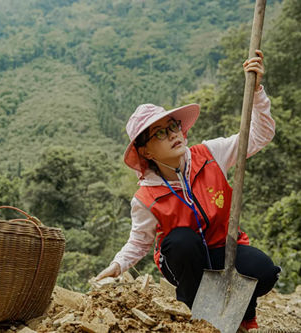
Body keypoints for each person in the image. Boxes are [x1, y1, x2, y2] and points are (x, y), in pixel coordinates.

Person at [95, 50, 280, 332]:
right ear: (145, 151)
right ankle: (197, 319)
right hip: (184, 262)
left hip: (222, 250)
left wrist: (256, 92)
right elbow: (140, 241)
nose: (172, 134)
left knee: (264, 272)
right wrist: (117, 266)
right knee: (181, 240)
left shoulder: (210, 154)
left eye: (172, 126)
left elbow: (260, 135)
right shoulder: (146, 197)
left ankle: (241, 314)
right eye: (159, 133)